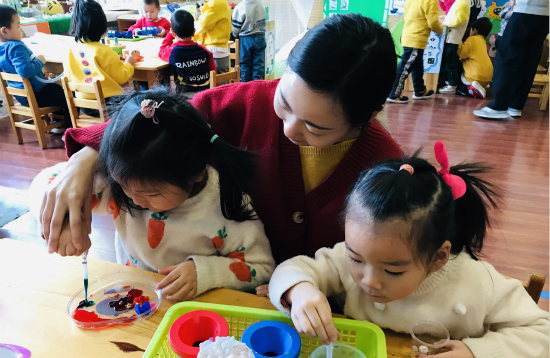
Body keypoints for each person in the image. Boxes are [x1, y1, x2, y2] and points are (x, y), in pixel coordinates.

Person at [38, 15, 403, 298]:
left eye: (315, 127)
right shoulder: (243, 103)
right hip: (219, 301)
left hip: (321, 312)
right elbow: (156, 120)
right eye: (285, 102)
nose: (290, 129)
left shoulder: (387, 167)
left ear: (367, 117)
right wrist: (85, 160)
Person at [268, 142, 549, 358]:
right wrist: (299, 290)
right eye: (356, 258)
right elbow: (292, 269)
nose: (369, 281)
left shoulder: (476, 282)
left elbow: (540, 332)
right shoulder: (346, 259)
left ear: (438, 258)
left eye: (393, 271)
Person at [30, 90, 274, 302]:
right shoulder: (122, 181)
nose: (135, 201)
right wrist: (62, 216)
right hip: (138, 294)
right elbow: (45, 184)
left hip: (199, 308)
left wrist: (204, 272)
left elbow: (262, 268)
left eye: (151, 194)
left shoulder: (226, 202)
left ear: (197, 173)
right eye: (124, 188)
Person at [0, 5, 71, 133]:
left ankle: (57, 124)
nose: (21, 29)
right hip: (35, 94)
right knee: (67, 94)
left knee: (55, 88)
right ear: (5, 31)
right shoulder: (16, 47)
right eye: (18, 26)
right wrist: (40, 61)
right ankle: (69, 130)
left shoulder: (2, 49)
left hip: (21, 95)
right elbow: (25, 71)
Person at [474, 0, 549, 119]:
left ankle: (498, 106)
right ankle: (516, 105)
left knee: (507, 57)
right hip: (545, 14)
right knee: (529, 59)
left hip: (525, 9)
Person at [64, 0, 137, 113]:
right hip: (109, 105)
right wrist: (128, 63)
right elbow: (122, 77)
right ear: (101, 25)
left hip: (86, 106)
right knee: (137, 100)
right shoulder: (103, 50)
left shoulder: (71, 50)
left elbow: (68, 78)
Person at [387, 0, 444, 103]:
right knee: (405, 67)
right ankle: (394, 93)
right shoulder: (430, 1)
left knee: (417, 66)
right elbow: (433, 22)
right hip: (416, 40)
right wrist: (440, 30)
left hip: (409, 36)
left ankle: (420, 90)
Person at [159, 9, 216, 95]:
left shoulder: (173, 52)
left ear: (173, 33)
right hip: (206, 94)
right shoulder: (205, 51)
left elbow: (161, 51)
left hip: (184, 97)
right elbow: (214, 74)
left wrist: (170, 35)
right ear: (193, 32)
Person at [438, 0, 470, 94]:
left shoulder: (463, 3)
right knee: (448, 61)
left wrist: (445, 21)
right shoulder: (460, 2)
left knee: (450, 62)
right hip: (451, 38)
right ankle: (449, 83)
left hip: (453, 39)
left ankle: (452, 85)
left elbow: (458, 21)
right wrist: (446, 18)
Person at [456, 17, 493, 98]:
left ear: (475, 30)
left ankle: (471, 90)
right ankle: (481, 85)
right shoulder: (483, 42)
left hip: (475, 76)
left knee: (459, 88)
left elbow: (461, 54)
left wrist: (459, 42)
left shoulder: (472, 39)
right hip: (488, 77)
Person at [231, 0, 266, 82]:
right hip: (260, 36)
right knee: (258, 64)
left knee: (245, 64)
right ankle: (257, 85)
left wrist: (235, 35)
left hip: (246, 38)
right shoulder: (260, 4)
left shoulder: (240, 7)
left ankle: (245, 86)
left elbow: (235, 29)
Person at [194, 0, 232, 74]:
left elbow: (202, 25)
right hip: (219, 48)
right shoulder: (222, 2)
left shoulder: (215, 4)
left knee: (215, 78)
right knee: (220, 78)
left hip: (214, 49)